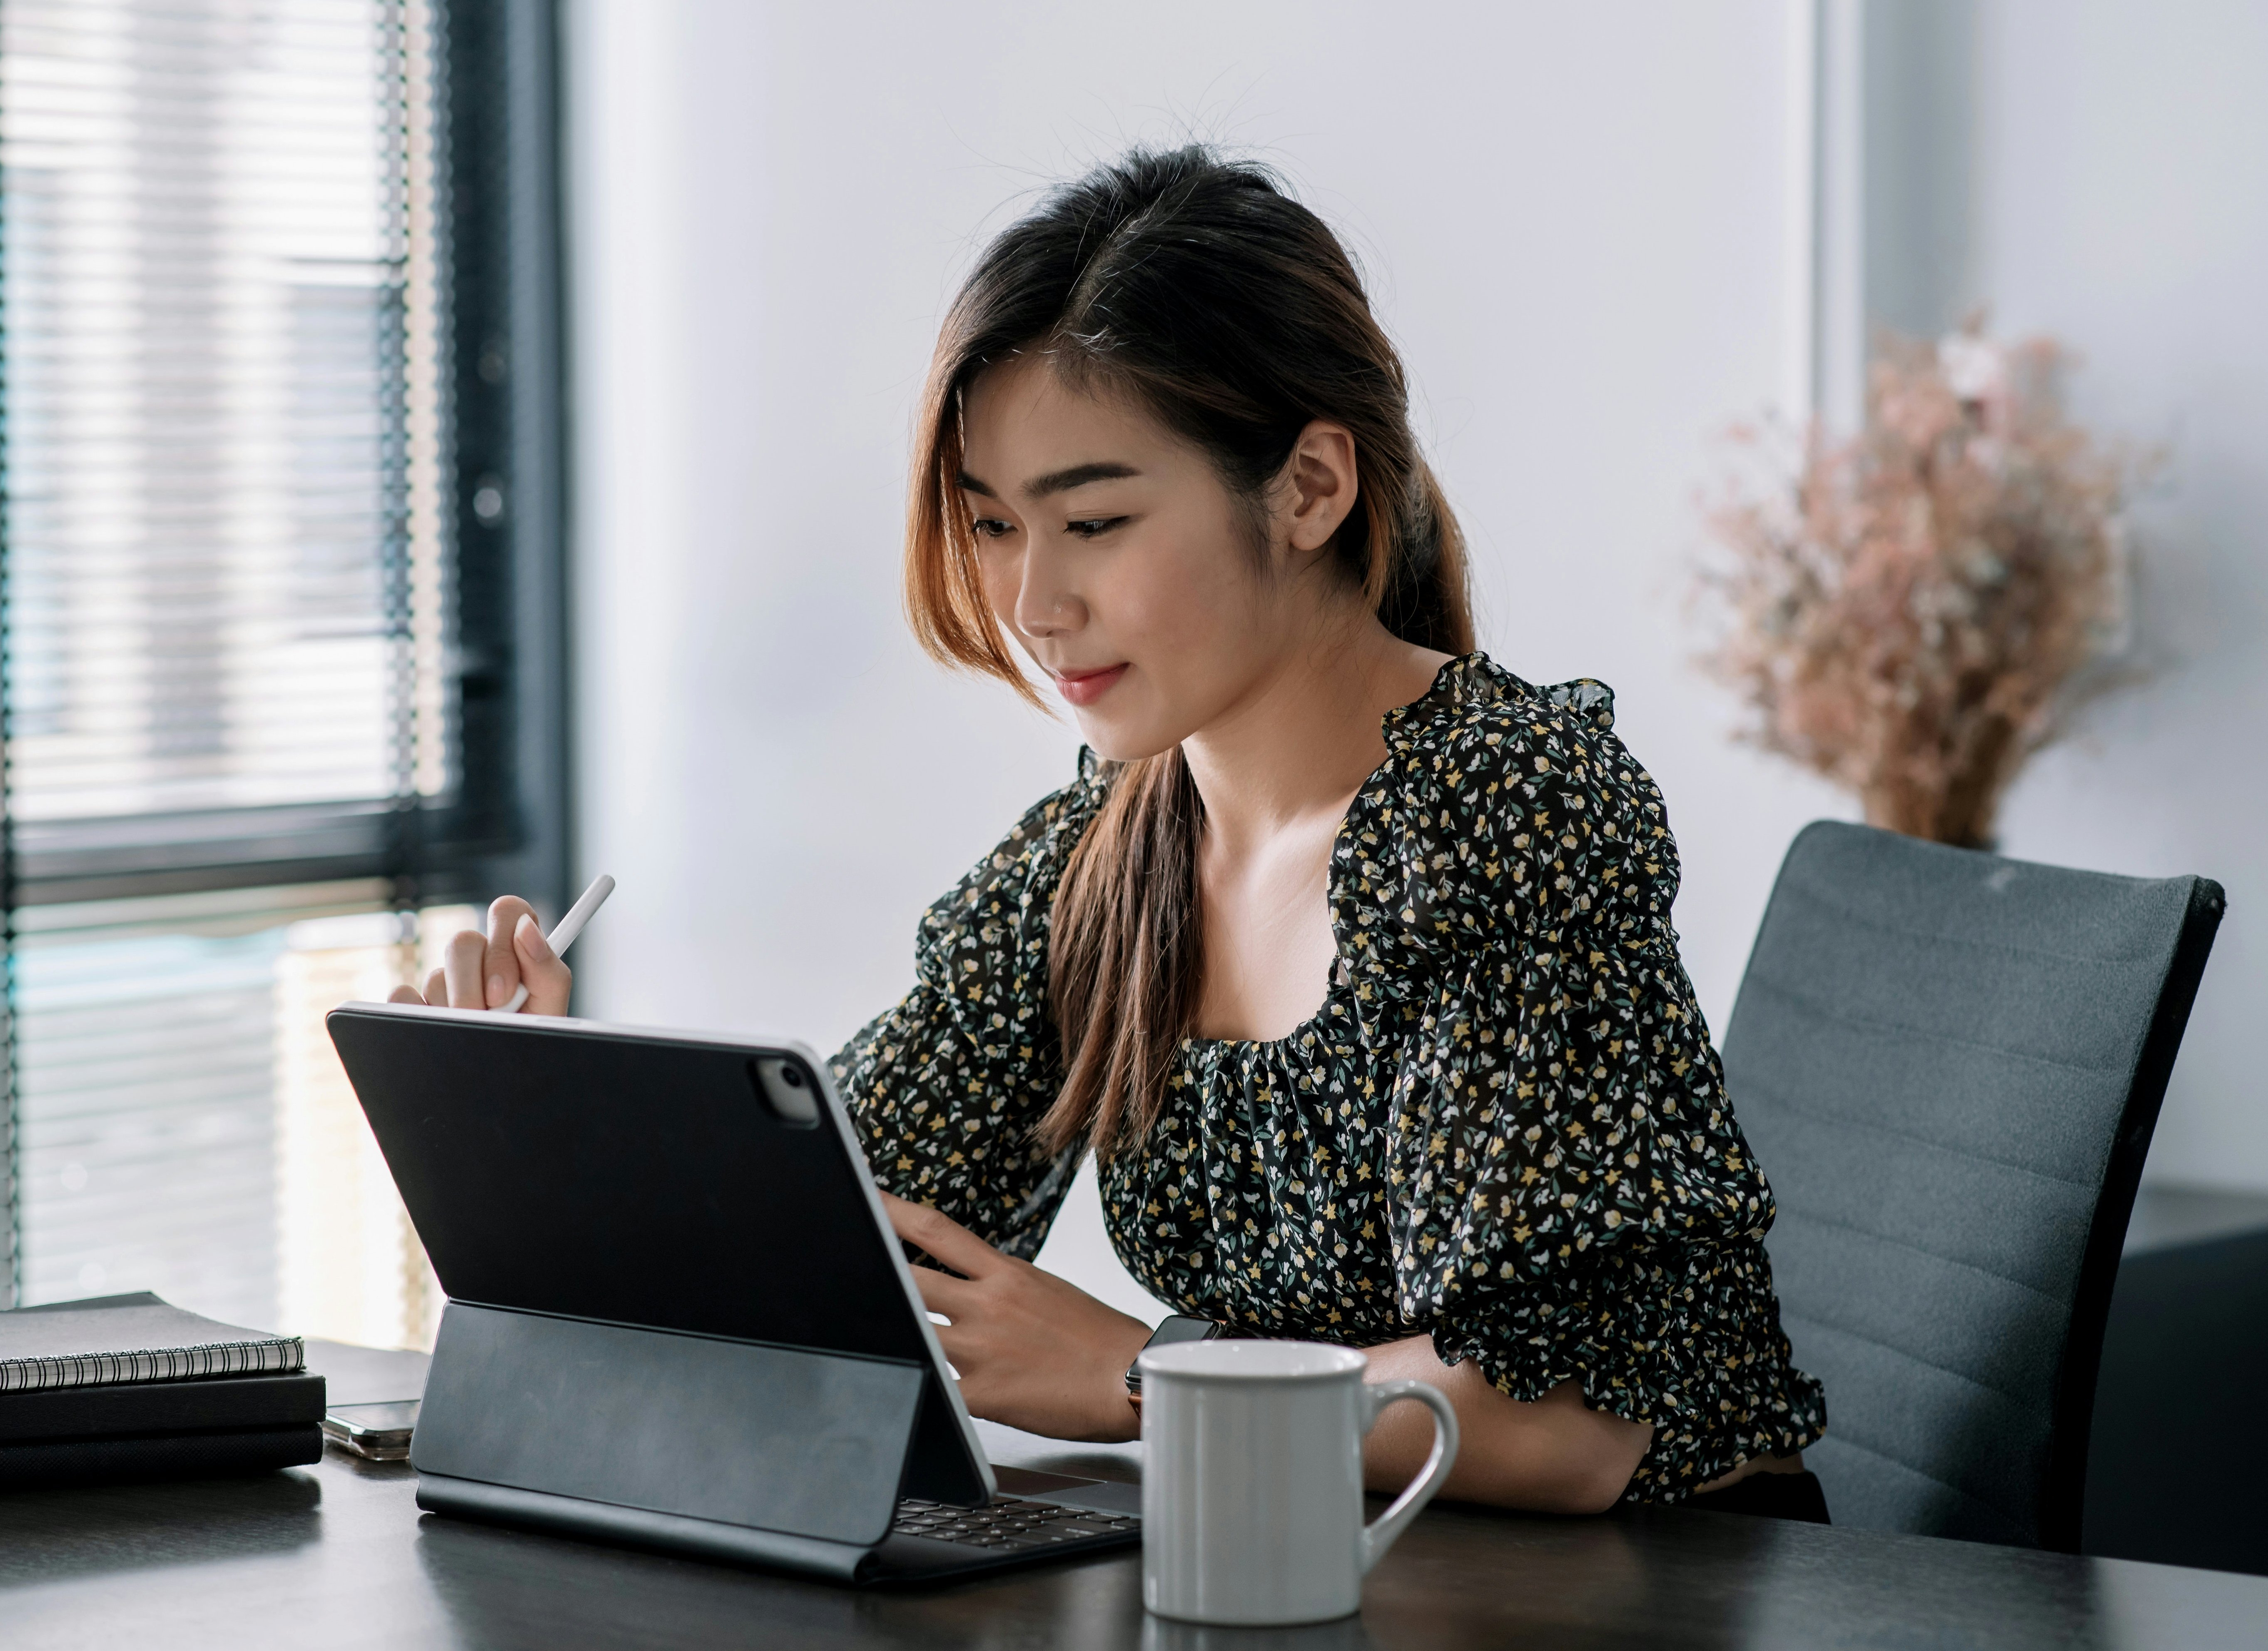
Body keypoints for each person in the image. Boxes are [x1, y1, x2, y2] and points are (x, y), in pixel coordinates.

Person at [401, 147, 1827, 1519]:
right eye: (996, 527)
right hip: (1312, 1562)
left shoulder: (1503, 807)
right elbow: (835, 1247)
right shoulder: (1110, 854)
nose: (1033, 607)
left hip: (1663, 1591)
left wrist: (1144, 1378)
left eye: (1092, 523)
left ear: (1312, 489)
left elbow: (1563, 1419)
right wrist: (535, 1116)